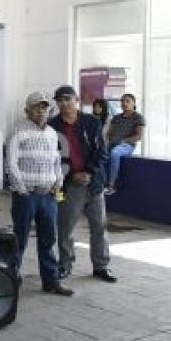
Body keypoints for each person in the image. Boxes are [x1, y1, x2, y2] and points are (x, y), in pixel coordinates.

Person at [7, 92, 72, 296]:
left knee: (48, 239)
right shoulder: (19, 132)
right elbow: (11, 163)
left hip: (49, 196)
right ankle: (10, 278)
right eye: (36, 107)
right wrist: (22, 189)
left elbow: (56, 162)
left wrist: (58, 184)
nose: (41, 111)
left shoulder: (53, 133)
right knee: (20, 237)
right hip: (27, 195)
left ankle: (50, 280)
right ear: (27, 111)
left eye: (44, 107)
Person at [49, 85, 116, 283]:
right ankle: (65, 265)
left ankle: (101, 266)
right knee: (65, 228)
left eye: (67, 99)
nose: (64, 103)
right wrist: (71, 176)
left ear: (76, 100)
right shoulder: (53, 127)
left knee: (99, 226)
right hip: (67, 186)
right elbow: (54, 158)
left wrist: (88, 172)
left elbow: (102, 151)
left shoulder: (92, 122)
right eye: (59, 100)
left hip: (93, 183)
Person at [104, 93, 145, 195]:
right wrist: (105, 143)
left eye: (127, 101)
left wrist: (122, 141)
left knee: (115, 153)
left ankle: (111, 185)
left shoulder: (138, 117)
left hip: (127, 145)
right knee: (98, 154)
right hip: (112, 144)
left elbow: (139, 136)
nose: (124, 103)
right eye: (122, 101)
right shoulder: (116, 117)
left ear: (134, 103)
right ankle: (98, 184)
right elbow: (109, 134)